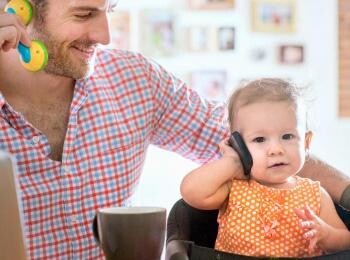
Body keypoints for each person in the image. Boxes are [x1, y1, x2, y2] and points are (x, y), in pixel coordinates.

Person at [0, 0, 349, 258]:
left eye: (109, 10)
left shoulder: (135, 80)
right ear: (20, 11)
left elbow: (246, 140)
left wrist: (346, 193)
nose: (104, 35)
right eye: (84, 14)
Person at [180, 78, 350, 257]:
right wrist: (231, 162)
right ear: (239, 146)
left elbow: (346, 241)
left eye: (287, 136)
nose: (276, 150)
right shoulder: (234, 189)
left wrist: (328, 235)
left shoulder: (316, 195)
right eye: (260, 139)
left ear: (306, 142)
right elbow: (190, 191)